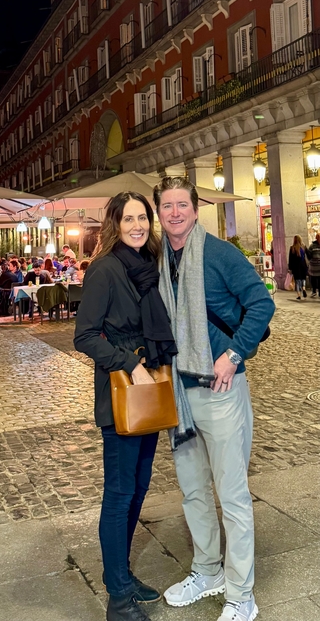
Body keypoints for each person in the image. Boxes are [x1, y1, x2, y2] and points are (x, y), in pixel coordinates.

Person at [154, 177, 275, 621]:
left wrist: (233, 353)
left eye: (182, 204)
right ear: (159, 212)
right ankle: (207, 571)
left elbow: (261, 304)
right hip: (179, 394)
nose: (175, 213)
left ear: (195, 208)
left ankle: (242, 594)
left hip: (220, 389)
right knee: (193, 492)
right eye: (167, 206)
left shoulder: (221, 254)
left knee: (233, 494)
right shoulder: (159, 259)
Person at [74, 191, 177, 621]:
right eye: (129, 219)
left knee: (137, 487)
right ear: (114, 223)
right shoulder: (105, 269)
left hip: (147, 390)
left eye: (143, 218)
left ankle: (120, 573)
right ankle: (117, 596)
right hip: (122, 393)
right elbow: (85, 335)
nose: (138, 226)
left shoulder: (145, 268)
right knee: (119, 493)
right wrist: (129, 363)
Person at [288, 235, 308, 301]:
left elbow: (290, 259)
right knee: (303, 278)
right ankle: (304, 288)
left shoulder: (292, 248)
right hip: (303, 266)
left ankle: (299, 295)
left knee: (298, 280)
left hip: (296, 267)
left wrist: (290, 268)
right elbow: (308, 255)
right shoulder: (303, 247)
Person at [306, 232, 320, 297]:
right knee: (313, 279)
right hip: (313, 266)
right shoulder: (312, 246)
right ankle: (314, 291)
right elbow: (309, 255)